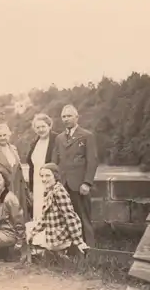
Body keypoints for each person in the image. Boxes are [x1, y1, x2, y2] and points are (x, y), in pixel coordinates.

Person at [51, 105, 98, 247]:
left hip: (78, 184)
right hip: (63, 185)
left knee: (82, 216)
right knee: (65, 217)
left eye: (69, 116)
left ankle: (88, 248)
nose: (66, 119)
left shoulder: (87, 135)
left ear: (76, 117)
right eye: (63, 116)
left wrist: (87, 183)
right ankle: (70, 247)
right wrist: (55, 182)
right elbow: (54, 162)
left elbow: (92, 161)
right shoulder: (59, 138)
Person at [27, 163, 90, 255]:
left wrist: (79, 242)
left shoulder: (59, 192)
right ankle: (53, 255)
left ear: (55, 176)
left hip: (58, 237)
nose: (44, 179)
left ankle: (55, 253)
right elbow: (44, 219)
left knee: (26, 232)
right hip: (55, 231)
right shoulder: (50, 191)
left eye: (48, 175)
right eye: (42, 176)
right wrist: (33, 232)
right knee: (28, 228)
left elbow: (70, 217)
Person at [0, 123, 30, 221]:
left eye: (5, 135)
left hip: (17, 188)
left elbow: (18, 170)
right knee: (5, 217)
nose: (2, 138)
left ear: (9, 135)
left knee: (19, 215)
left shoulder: (13, 149)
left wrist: (25, 189)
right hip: (3, 190)